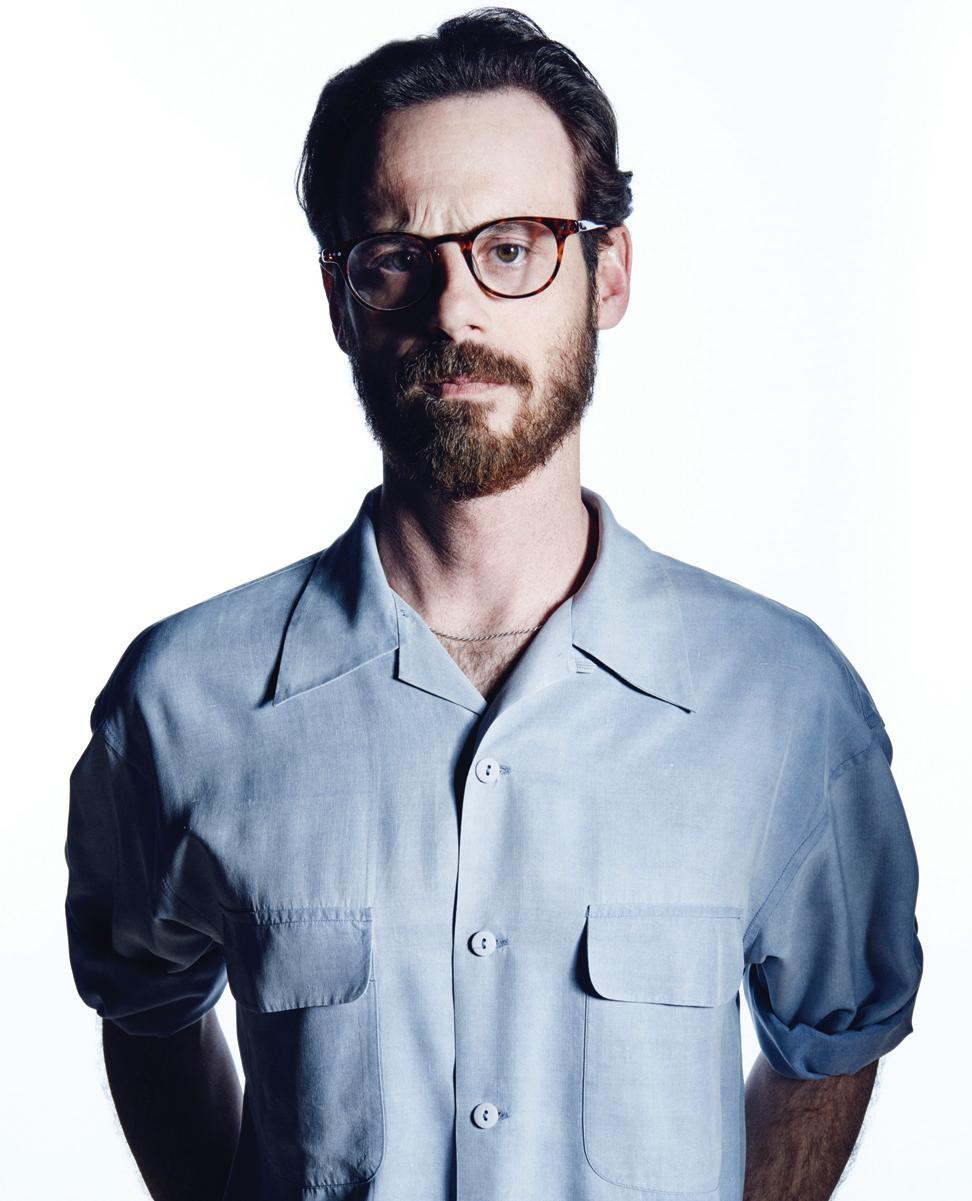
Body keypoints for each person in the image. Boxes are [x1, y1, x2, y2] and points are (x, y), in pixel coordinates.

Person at [64, 8, 923, 1201]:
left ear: (607, 274)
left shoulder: (784, 703)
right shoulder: (180, 701)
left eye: (512, 248)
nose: (456, 311)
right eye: (396, 258)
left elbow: (836, 1032)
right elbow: (144, 1005)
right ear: (341, 300)